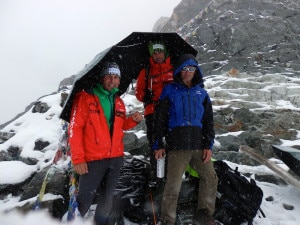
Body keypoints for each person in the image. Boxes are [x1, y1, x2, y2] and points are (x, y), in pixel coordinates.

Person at [68, 62, 143, 225]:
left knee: (107, 201)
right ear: (102, 78)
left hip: (115, 159)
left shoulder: (118, 102)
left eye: (116, 77)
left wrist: (133, 121)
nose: (112, 80)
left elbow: (119, 126)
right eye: (109, 76)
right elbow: (75, 129)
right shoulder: (85, 97)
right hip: (93, 160)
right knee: (84, 200)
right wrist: (78, 159)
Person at [152, 54, 218, 225]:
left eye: (191, 69)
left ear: (196, 71)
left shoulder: (202, 93)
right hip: (177, 147)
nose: (188, 72)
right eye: (185, 69)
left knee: (210, 178)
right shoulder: (169, 90)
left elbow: (208, 122)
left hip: (198, 146)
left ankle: (204, 214)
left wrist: (208, 145)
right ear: (180, 71)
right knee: (173, 186)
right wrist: (158, 144)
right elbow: (159, 120)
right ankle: (168, 220)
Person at [135, 41, 173, 181]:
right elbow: (138, 92)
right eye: (154, 53)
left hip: (171, 112)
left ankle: (171, 175)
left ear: (165, 53)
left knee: (172, 143)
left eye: (160, 52)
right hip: (153, 112)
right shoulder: (146, 71)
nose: (157, 55)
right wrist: (145, 96)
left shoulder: (173, 69)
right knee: (155, 144)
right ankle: (156, 176)